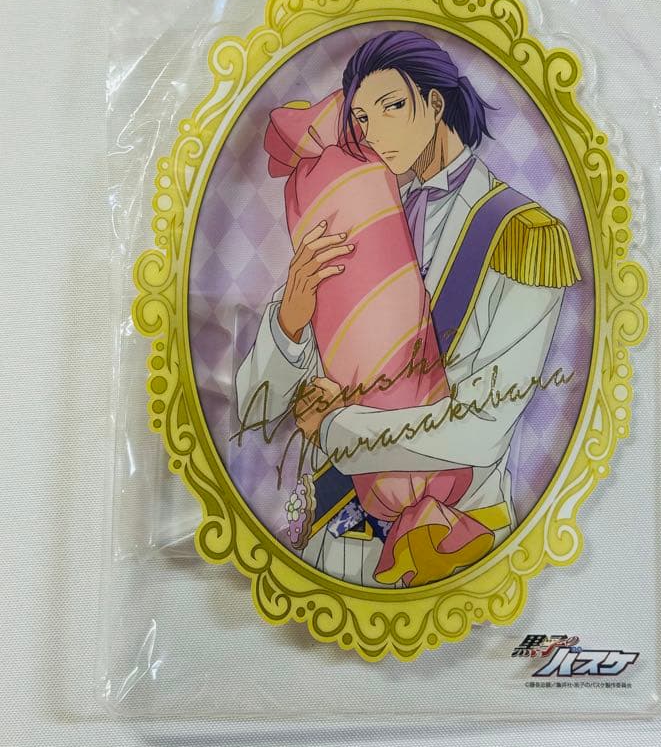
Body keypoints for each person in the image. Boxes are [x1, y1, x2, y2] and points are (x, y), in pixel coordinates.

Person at [236, 30, 580, 586]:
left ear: (434, 103)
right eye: (361, 119)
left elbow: (485, 424)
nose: (373, 134)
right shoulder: (352, 204)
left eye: (391, 107)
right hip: (333, 542)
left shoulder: (522, 234)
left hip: (451, 542)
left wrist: (337, 427)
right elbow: (255, 405)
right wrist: (289, 323)